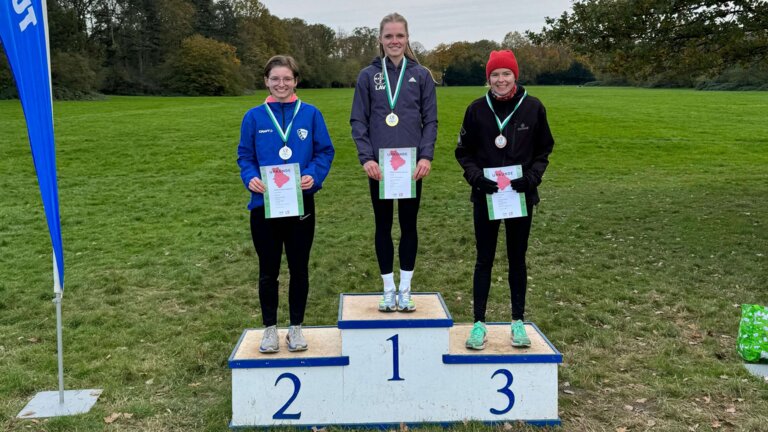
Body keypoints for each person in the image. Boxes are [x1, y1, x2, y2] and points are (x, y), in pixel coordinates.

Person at [455, 50, 555, 350]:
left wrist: (532, 177)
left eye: (506, 74)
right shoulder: (476, 110)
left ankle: (517, 322)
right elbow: (464, 152)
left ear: (515, 76)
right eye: (495, 75)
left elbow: (544, 151)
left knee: (516, 259)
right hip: (486, 196)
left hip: (519, 196)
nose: (500, 80)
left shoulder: (533, 108)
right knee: (483, 259)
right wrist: (475, 177)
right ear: (488, 78)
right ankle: (478, 324)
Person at [237, 55, 334, 353]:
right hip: (264, 206)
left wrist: (313, 176)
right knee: (268, 270)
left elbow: (324, 152)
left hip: (301, 205)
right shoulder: (253, 116)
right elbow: (245, 156)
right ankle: (269, 329)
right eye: (275, 78)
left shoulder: (311, 114)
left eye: (287, 79)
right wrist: (250, 177)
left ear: (296, 81)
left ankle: (295, 328)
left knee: (299, 268)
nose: (281, 84)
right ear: (266, 80)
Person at [350, 12, 438, 312]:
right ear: (380, 40)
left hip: (412, 167)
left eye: (399, 35)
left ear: (407, 38)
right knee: (383, 226)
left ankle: (406, 289)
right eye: (388, 36)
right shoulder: (367, 76)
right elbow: (358, 121)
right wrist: (366, 158)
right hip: (379, 168)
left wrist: (426, 156)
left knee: (409, 225)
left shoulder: (422, 75)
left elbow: (431, 121)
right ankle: (388, 289)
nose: (394, 41)